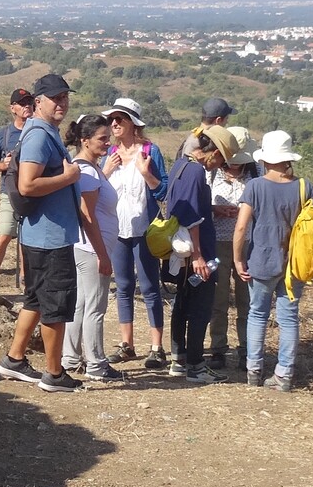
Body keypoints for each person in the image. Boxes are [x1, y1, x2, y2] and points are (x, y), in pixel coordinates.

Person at [0, 75, 84, 393]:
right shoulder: (38, 137)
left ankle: (14, 359)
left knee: (34, 300)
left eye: (65, 97)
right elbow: (27, 185)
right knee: (55, 305)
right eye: (55, 98)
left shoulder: (43, 132)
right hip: (49, 237)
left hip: (40, 234)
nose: (62, 103)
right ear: (38, 102)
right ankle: (54, 374)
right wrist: (69, 177)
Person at [232, 130, 305, 390]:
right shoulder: (303, 186)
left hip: (261, 259)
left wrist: (238, 259)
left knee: (257, 314)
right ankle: (284, 374)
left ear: (264, 159)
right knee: (289, 318)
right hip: (293, 263)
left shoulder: (255, 186)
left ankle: (254, 370)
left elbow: (241, 227)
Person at [101, 98, 169, 366]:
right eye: (112, 119)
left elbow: (164, 190)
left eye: (120, 119)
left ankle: (156, 347)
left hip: (145, 230)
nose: (114, 124)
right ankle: (126, 344)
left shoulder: (150, 152)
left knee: (150, 287)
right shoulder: (109, 154)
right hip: (117, 229)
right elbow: (96, 189)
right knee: (124, 287)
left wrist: (146, 173)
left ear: (133, 123)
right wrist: (106, 171)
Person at [63, 113, 122, 383]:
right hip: (90, 249)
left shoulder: (88, 168)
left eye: (108, 137)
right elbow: (88, 216)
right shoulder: (86, 171)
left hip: (85, 248)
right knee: (95, 308)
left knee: (81, 304)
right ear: (85, 140)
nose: (108, 142)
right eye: (102, 138)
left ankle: (71, 357)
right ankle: (96, 364)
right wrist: (102, 254)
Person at [161, 129, 220, 379]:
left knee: (182, 304)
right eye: (221, 158)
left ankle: (179, 359)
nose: (220, 164)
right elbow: (192, 217)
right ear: (213, 152)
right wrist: (198, 256)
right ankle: (196, 366)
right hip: (195, 251)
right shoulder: (196, 171)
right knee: (200, 308)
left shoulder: (180, 166)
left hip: (179, 250)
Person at [205, 123, 247, 369]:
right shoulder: (211, 175)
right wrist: (216, 210)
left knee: (246, 300)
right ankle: (218, 348)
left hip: (247, 244)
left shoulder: (255, 176)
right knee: (218, 299)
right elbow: (201, 206)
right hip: (218, 243)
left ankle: (246, 349)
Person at [0, 89, 34, 289]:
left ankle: (25, 277)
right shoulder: (4, 134)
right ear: (12, 108)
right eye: (22, 103)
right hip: (10, 193)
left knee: (27, 238)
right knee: (5, 234)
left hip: (33, 193)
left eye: (30, 102)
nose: (27, 106)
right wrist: (4, 165)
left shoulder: (38, 131)